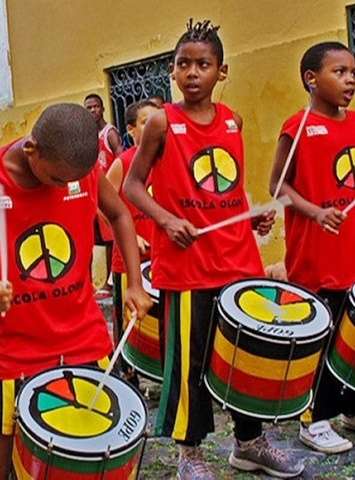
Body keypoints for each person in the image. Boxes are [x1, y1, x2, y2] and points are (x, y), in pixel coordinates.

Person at [124, 19, 302, 479]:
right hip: (186, 269)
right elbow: (131, 185)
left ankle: (249, 442)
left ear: (221, 71)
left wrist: (251, 215)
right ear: (172, 70)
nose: (193, 73)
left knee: (243, 356)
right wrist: (164, 219)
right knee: (190, 362)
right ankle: (191, 451)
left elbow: (228, 185)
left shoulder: (232, 120)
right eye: (184, 64)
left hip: (237, 261)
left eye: (203, 64)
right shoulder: (163, 121)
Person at [0, 103, 152, 480]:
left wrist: (135, 284)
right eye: (57, 180)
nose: (64, 187)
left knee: (100, 408)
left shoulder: (80, 172)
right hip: (16, 335)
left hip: (80, 326)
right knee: (5, 424)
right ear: (31, 151)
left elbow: (120, 214)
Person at [269, 41, 355, 454]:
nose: (351, 81)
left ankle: (353, 408)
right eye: (340, 72)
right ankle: (314, 418)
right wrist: (315, 212)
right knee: (322, 341)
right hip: (317, 257)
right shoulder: (298, 126)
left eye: (353, 73)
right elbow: (277, 185)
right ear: (312, 79)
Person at [106, 99, 159, 381]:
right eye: (144, 122)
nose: (152, 127)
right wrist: (130, 235)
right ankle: (126, 374)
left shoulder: (167, 160)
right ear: (130, 131)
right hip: (128, 259)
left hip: (161, 255)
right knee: (127, 319)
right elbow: (103, 207)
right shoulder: (122, 163)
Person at [84, 93, 123, 296]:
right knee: (88, 239)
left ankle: (109, 282)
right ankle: (87, 283)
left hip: (107, 193)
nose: (92, 111)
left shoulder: (110, 133)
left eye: (95, 107)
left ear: (103, 108)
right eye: (88, 108)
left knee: (110, 240)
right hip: (90, 195)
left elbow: (120, 157)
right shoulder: (88, 136)